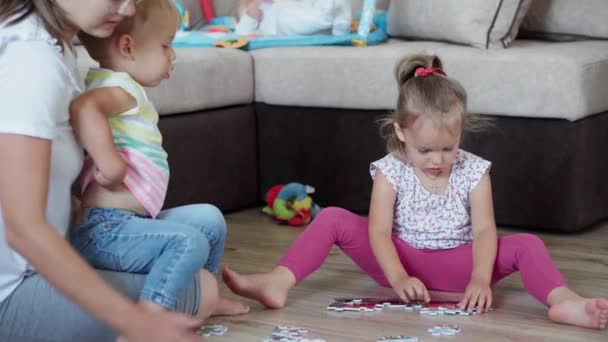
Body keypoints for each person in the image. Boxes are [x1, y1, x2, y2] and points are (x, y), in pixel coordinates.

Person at [223, 54, 608, 330]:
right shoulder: (389, 171)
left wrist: (478, 278)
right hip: (400, 263)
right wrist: (396, 277)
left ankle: (565, 303)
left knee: (527, 244)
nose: (437, 159)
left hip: (460, 266)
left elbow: (485, 231)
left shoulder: (474, 170)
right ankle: (278, 281)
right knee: (334, 217)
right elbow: (377, 231)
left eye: (448, 147)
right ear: (401, 133)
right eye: (425, 150)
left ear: (460, 134)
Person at [0, 1, 227, 341]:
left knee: (204, 229)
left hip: (53, 252)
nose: (130, 7)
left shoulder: (57, 48)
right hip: (12, 291)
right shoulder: (32, 60)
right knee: (202, 288)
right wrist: (136, 323)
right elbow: (23, 230)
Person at [70, 0, 249, 319]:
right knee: (188, 242)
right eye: (166, 45)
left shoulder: (120, 86)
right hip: (108, 230)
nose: (173, 55)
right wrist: (110, 163)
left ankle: (204, 297)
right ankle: (151, 317)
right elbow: (84, 109)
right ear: (127, 46)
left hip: (130, 224)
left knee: (209, 218)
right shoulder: (118, 87)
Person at [235, 0, 351, 36]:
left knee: (309, 9)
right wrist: (250, 16)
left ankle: (340, 23)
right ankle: (326, 19)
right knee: (296, 20)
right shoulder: (265, 21)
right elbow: (242, 34)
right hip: (280, 24)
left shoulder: (276, 5)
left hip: (299, 11)